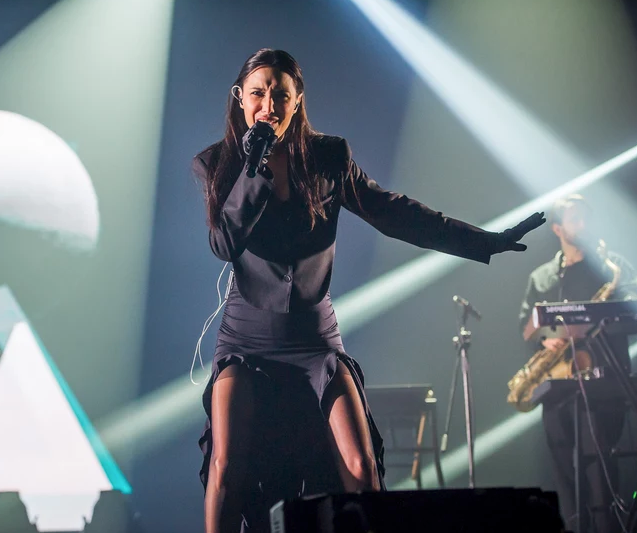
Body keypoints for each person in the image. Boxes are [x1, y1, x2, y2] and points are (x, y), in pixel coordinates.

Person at [193, 48, 545, 533]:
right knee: (227, 465)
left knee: (360, 467)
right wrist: (255, 167)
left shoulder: (328, 157)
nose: (268, 105)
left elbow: (396, 213)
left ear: (297, 102)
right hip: (248, 338)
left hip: (315, 340)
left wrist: (485, 241)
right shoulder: (218, 163)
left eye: (280, 95)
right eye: (258, 93)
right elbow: (224, 243)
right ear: (240, 99)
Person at [518, 194, 636, 533]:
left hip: (605, 383)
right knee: (564, 475)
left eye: (586, 218)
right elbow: (526, 326)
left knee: (601, 470)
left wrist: (591, 324)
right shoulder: (542, 277)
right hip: (557, 387)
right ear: (557, 229)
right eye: (575, 220)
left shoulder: (611, 266)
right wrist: (545, 339)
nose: (583, 225)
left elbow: (632, 309)